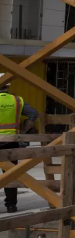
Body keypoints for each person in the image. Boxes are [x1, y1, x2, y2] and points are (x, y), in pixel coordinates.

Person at [0, 76, 38, 213]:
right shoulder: (17, 100)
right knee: (10, 174)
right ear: (8, 86)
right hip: (11, 142)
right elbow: (34, 114)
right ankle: (11, 205)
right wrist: (23, 131)